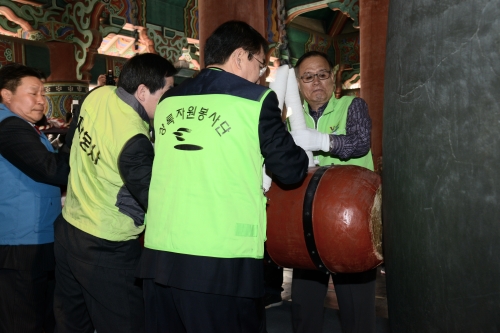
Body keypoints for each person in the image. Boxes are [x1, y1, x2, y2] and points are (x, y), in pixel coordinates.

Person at [138, 20, 309, 333]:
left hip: (160, 253)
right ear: (241, 57)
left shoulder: (169, 101)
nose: (262, 74)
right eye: (261, 64)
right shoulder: (255, 101)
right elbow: (291, 169)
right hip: (220, 258)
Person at [53, 53, 176, 333]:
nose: (170, 100)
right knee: (127, 323)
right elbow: (153, 201)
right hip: (106, 246)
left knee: (72, 321)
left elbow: (71, 146)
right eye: (167, 92)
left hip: (69, 227)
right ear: (143, 91)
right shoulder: (134, 137)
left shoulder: (98, 95)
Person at [290, 51, 376, 333]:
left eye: (322, 75)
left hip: (351, 223)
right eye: (308, 77)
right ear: (299, 84)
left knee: (356, 310)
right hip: (308, 222)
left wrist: (322, 141)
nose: (316, 82)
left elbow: (360, 143)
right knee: (304, 306)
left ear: (333, 78)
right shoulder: (292, 119)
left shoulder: (353, 106)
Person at [0, 63, 70, 333]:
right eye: (34, 93)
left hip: (35, 237)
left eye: (43, 93)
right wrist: (79, 134)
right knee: (22, 320)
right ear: (7, 95)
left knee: (39, 317)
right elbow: (52, 170)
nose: (42, 100)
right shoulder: (10, 127)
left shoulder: (23, 126)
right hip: (20, 243)